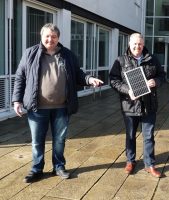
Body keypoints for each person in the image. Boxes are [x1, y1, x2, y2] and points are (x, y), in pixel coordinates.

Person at [12, 23, 103, 183]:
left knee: (59, 140)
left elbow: (78, 74)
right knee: (37, 141)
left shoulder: (67, 55)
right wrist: (16, 100)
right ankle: (37, 169)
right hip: (37, 107)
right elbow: (20, 77)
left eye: (53, 36)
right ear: (41, 37)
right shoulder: (30, 54)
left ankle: (59, 166)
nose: (50, 39)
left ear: (58, 38)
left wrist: (89, 79)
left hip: (62, 107)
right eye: (47, 36)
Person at [109, 33, 165, 178]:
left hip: (149, 104)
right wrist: (128, 90)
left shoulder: (152, 59)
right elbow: (113, 80)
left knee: (149, 136)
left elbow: (162, 75)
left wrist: (156, 82)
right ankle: (130, 161)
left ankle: (149, 164)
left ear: (143, 44)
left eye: (140, 44)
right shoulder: (120, 60)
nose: (137, 47)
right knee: (130, 136)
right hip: (130, 104)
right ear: (129, 43)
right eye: (134, 44)